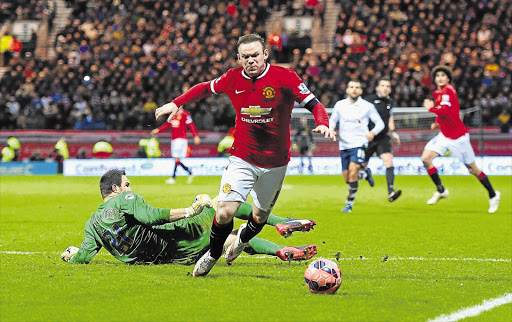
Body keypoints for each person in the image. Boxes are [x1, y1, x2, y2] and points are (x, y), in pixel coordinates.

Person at [155, 33, 336, 277]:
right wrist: (176, 103)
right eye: (245, 57)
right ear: (239, 58)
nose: (251, 61)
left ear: (265, 54)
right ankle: (212, 254)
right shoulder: (232, 78)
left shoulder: (285, 77)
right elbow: (203, 89)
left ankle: (240, 241)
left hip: (275, 162)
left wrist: (323, 122)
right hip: (242, 157)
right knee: (224, 211)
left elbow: (314, 104)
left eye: (255, 55)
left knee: (259, 217)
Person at [60, 169, 318, 265]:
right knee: (223, 206)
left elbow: (83, 256)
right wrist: (189, 211)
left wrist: (71, 256)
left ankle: (283, 252)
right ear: (115, 189)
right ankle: (279, 222)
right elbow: (152, 217)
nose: (129, 187)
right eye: (126, 184)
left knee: (232, 240)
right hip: (177, 235)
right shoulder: (124, 199)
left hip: (170, 258)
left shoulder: (92, 224)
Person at [422, 65, 500, 213]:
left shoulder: (448, 90)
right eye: (437, 76)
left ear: (448, 78)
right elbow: (444, 112)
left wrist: (430, 109)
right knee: (426, 158)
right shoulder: (437, 92)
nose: (440, 78)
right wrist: (437, 122)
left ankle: (493, 194)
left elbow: (444, 109)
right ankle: (441, 190)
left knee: (473, 169)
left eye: (443, 76)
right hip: (444, 135)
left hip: (458, 137)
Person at [329, 79, 385, 213]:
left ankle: (349, 204)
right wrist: (330, 130)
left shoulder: (367, 106)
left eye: (357, 87)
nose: (354, 89)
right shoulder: (340, 105)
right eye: (352, 87)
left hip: (360, 143)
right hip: (344, 144)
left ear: (361, 91)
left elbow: (380, 124)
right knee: (347, 178)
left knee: (353, 171)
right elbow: (332, 121)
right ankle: (365, 174)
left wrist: (372, 132)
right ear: (347, 90)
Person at [361, 77, 402, 202]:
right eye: (383, 85)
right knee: (360, 167)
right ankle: (366, 173)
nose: (385, 88)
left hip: (382, 137)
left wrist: (393, 132)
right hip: (368, 137)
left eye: (388, 86)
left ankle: (391, 192)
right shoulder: (368, 101)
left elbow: (390, 118)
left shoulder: (390, 102)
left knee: (388, 161)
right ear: (377, 88)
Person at [151, 109, 200, 184]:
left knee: (176, 158)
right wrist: (158, 130)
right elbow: (167, 125)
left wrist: (195, 136)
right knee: (176, 159)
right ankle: (190, 173)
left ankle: (174, 178)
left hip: (181, 139)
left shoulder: (185, 114)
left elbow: (191, 125)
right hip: (174, 139)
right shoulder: (172, 114)